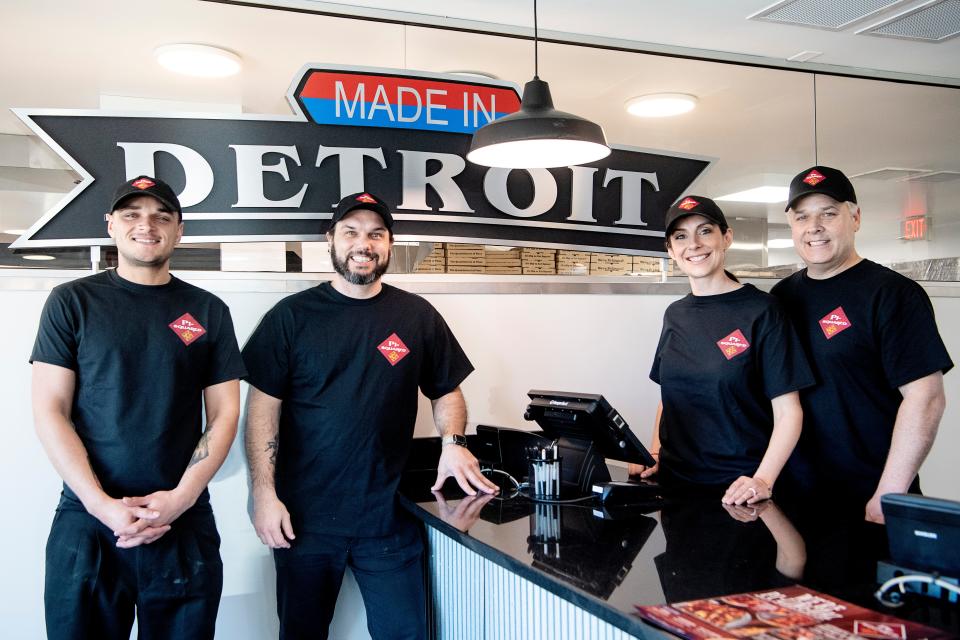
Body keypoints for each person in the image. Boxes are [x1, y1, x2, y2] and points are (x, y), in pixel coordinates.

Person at [242, 191, 497, 640]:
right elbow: (262, 408)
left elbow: (447, 391)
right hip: (304, 520)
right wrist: (263, 494)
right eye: (352, 232)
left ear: (389, 244)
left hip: (389, 519)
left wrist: (453, 445)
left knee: (407, 634)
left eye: (376, 234)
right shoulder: (291, 317)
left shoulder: (415, 315)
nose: (365, 243)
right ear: (331, 240)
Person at [30, 175, 246, 640]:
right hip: (88, 519)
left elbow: (225, 413)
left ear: (179, 230)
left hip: (182, 520)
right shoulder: (72, 302)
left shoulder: (207, 310)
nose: (146, 225)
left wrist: (181, 499)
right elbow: (50, 409)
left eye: (161, 216)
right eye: (132, 214)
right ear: (111, 225)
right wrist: (100, 504)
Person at [771, 166, 952, 524]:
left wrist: (889, 491)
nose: (814, 227)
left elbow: (926, 398)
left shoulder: (892, 294)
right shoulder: (781, 297)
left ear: (855, 218)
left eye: (829, 213)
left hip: (869, 498)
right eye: (802, 216)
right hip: (795, 498)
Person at [631, 196, 814, 506]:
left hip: (738, 492)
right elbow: (670, 394)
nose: (694, 244)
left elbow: (789, 411)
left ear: (726, 237)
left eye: (705, 231)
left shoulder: (763, 311)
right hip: (676, 485)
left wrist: (763, 479)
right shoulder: (675, 314)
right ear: (671, 250)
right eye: (681, 236)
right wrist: (653, 452)